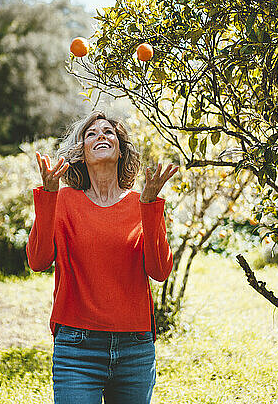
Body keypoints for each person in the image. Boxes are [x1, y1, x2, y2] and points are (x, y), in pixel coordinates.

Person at [26, 110, 179, 404]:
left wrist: (150, 205)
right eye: (91, 133)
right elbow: (38, 260)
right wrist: (48, 195)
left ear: (121, 149)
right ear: (81, 152)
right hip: (77, 348)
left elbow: (159, 270)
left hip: (135, 347)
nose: (101, 136)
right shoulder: (65, 200)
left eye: (108, 132)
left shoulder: (140, 202)